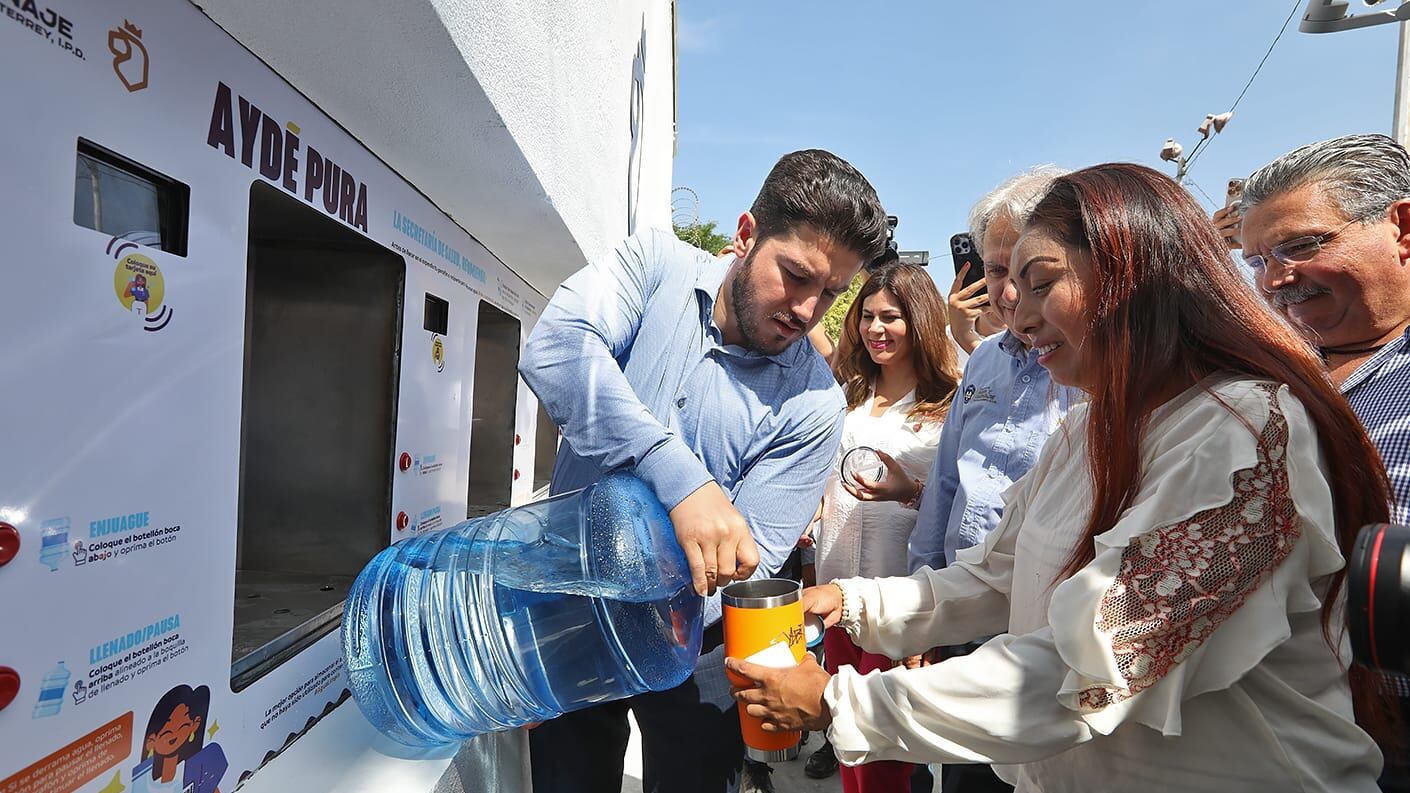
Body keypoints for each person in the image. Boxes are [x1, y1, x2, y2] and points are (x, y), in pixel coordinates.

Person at [728, 163, 1393, 793]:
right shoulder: (1087, 429)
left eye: (1042, 283)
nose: (1016, 314)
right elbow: (998, 575)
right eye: (1006, 284)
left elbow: (1087, 667)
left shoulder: (1245, 431)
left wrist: (839, 700)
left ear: (1134, 275)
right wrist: (849, 601)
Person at [518, 149, 889, 793]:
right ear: (745, 236)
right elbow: (556, 348)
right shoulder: (653, 267)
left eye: (831, 293)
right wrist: (677, 475)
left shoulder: (816, 403)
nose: (808, 311)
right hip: (571, 611)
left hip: (698, 647)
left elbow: (746, 558)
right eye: (796, 276)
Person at [807, 263, 961, 790]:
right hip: (836, 595)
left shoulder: (950, 404)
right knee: (848, 741)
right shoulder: (844, 396)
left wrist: (907, 492)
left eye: (891, 317)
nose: (876, 329)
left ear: (919, 321)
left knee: (890, 757)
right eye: (868, 316)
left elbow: (960, 512)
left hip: (902, 600)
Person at [1239, 133, 1410, 522]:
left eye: (1300, 246)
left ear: (1402, 228)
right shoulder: (1245, 370)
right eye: (1258, 263)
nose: (1273, 281)